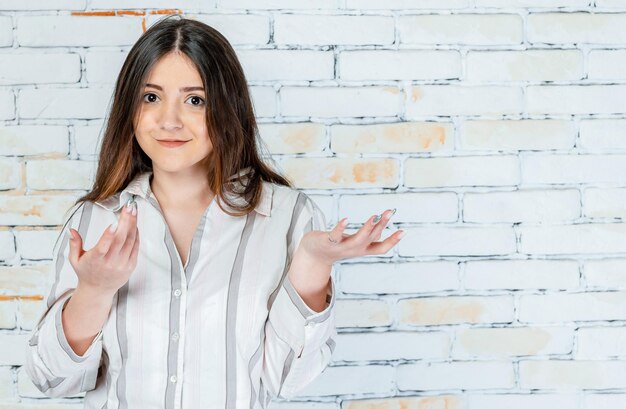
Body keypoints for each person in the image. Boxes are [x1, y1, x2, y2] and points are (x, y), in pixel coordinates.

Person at [24, 14, 405, 408]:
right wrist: (94, 289)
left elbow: (287, 380)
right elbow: (52, 379)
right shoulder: (94, 221)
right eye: (151, 97)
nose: (169, 121)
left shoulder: (289, 217)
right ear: (130, 108)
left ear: (226, 107)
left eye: (195, 100)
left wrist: (311, 264)